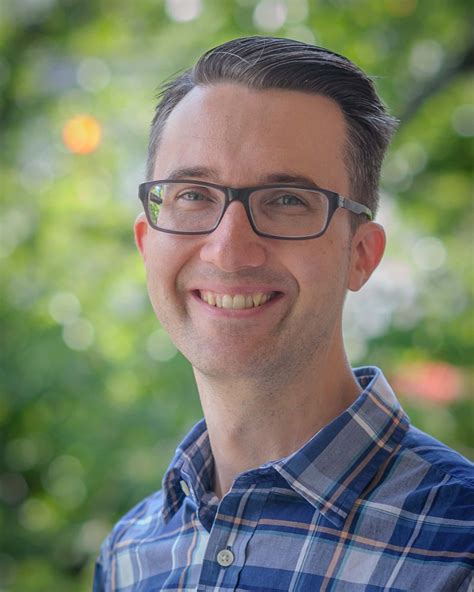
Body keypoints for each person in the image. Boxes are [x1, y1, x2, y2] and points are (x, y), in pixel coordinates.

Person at [93, 36, 473, 591]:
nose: (228, 250)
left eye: (288, 201)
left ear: (361, 255)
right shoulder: (130, 555)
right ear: (147, 243)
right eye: (193, 195)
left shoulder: (459, 547)